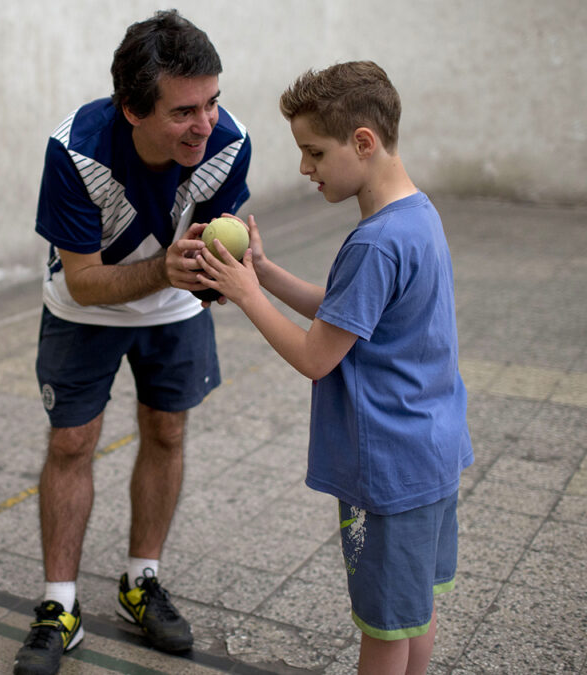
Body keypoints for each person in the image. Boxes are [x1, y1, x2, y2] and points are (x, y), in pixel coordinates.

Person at [196, 61, 472, 675]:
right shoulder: (416, 215)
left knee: (382, 629)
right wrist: (264, 272)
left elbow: (316, 356)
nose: (304, 168)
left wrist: (246, 296)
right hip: (432, 453)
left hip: (388, 470)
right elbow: (348, 314)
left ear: (363, 143)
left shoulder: (375, 242)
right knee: (413, 613)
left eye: (314, 152)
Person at [13, 10, 252, 675]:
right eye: (183, 112)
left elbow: (212, 257)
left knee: (167, 430)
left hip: (174, 305)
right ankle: (59, 604)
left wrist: (224, 281)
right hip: (84, 307)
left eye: (212, 101)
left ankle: (140, 582)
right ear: (132, 110)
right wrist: (165, 270)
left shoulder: (230, 143)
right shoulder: (76, 149)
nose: (205, 124)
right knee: (71, 442)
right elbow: (85, 282)